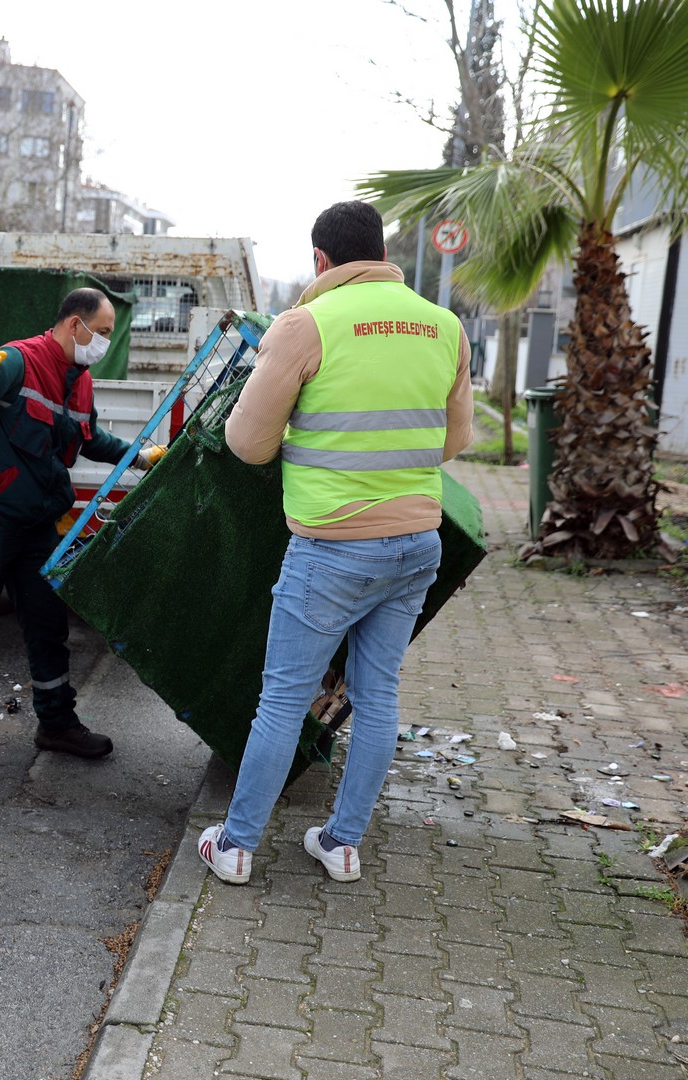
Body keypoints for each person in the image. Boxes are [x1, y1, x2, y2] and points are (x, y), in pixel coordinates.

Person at [198, 200, 473, 885]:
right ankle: (342, 844)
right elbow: (455, 440)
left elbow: (247, 443)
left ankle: (235, 847)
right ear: (382, 253)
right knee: (377, 697)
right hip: (416, 542)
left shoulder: (306, 324)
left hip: (331, 549)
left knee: (283, 701)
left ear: (320, 259)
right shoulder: (444, 326)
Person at [0, 288, 166, 759]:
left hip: (39, 525)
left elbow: (88, 438)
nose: (104, 343)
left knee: (48, 627)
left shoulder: (81, 380)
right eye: (101, 332)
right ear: (74, 324)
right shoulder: (16, 362)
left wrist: (138, 457)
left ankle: (57, 725)